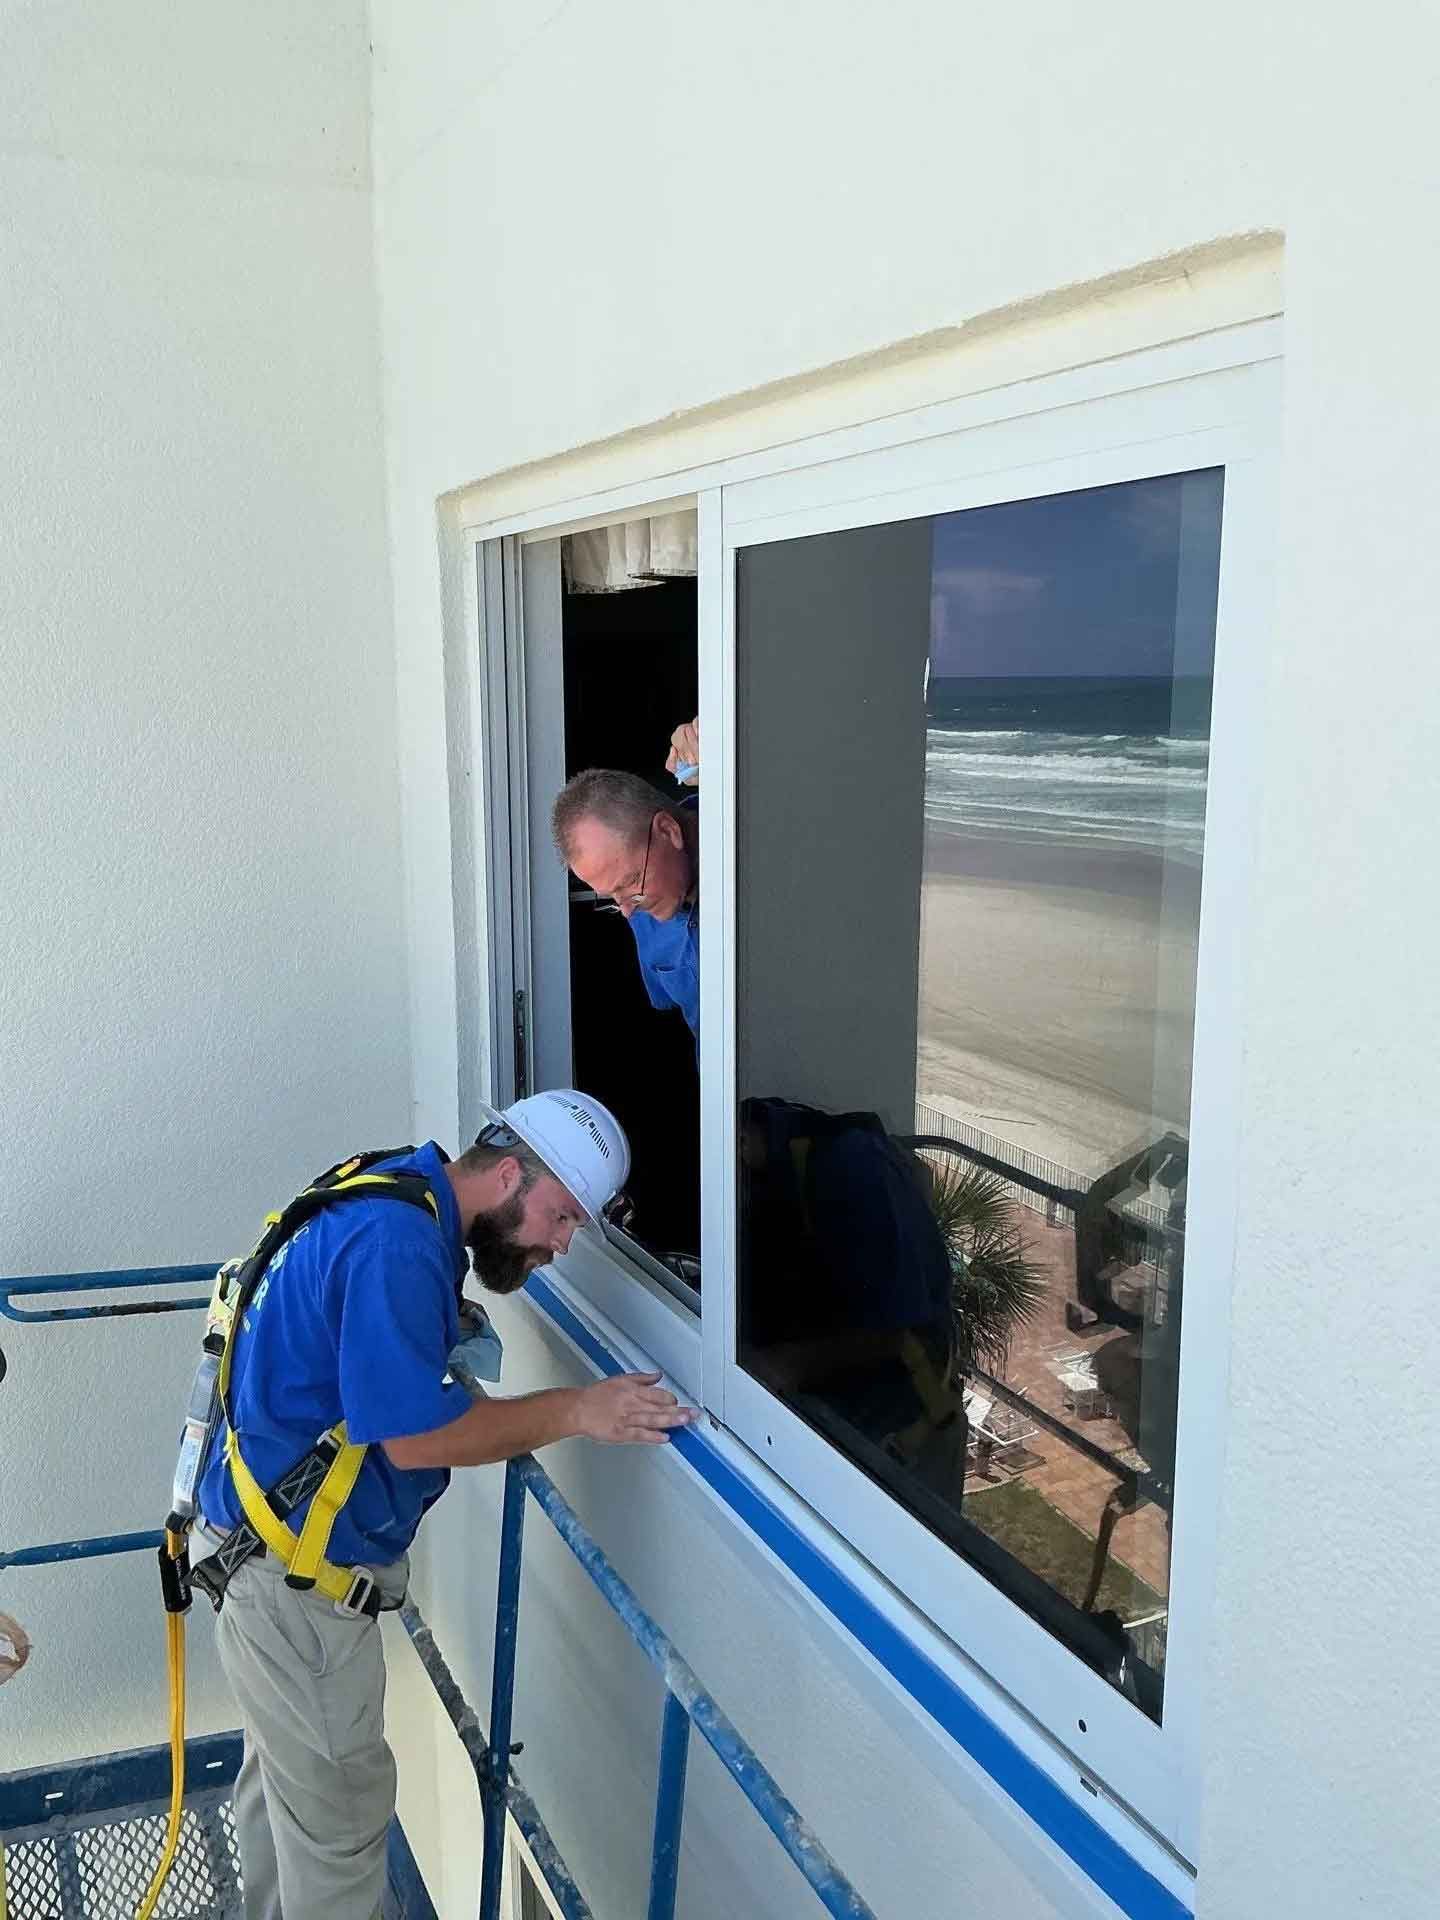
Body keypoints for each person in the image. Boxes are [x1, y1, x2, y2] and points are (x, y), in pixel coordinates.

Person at [194, 1089, 694, 1920]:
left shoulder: (392, 1187)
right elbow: (414, 1440)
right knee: (340, 1840)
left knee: (288, 1803)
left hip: (256, 1558)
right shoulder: (400, 1246)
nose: (562, 1245)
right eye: (563, 1217)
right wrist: (579, 1409)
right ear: (508, 1175)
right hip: (293, 1597)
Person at [552, 757, 700, 1038]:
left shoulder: (747, 831)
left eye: (631, 882)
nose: (628, 911)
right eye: (613, 897)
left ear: (669, 830)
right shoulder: (642, 909)